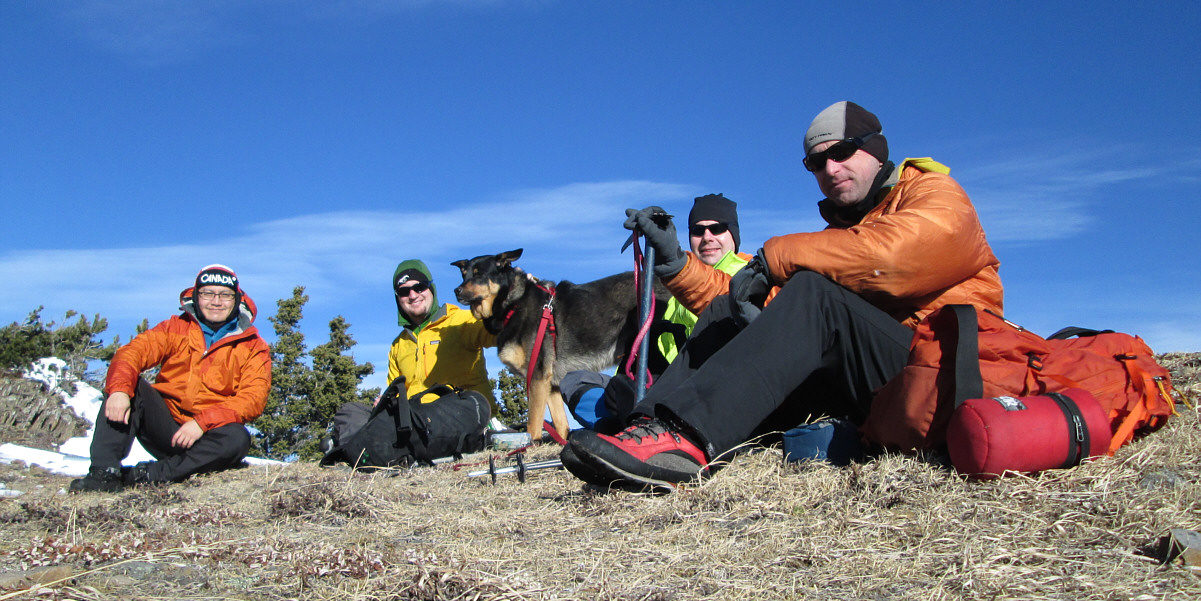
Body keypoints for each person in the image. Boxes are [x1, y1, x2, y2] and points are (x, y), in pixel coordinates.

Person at [562, 101, 1004, 489]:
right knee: (729, 308)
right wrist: (677, 263)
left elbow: (893, 258)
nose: (830, 169)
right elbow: (762, 304)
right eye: (817, 163)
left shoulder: (934, 194)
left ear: (876, 149)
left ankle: (687, 439)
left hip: (945, 375)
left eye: (841, 153)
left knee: (813, 295)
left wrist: (775, 257)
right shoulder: (843, 237)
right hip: (880, 384)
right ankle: (647, 429)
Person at [70, 265, 271, 492]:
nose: (216, 302)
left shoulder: (253, 346)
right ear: (196, 296)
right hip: (164, 426)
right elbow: (131, 354)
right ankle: (103, 474)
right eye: (208, 293)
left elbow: (252, 398)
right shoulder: (175, 328)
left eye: (225, 295)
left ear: (236, 300)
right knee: (128, 385)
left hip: (207, 438)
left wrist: (202, 422)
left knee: (237, 438)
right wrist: (119, 391)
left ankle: (147, 475)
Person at [386, 259, 497, 412]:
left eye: (419, 287)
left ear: (431, 288)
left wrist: (516, 298)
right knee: (355, 413)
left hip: (465, 415)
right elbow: (393, 393)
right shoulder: (398, 344)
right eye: (404, 291)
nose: (412, 295)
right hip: (416, 421)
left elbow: (502, 333)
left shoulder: (463, 321)